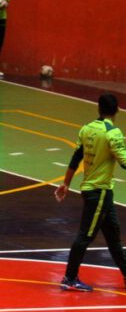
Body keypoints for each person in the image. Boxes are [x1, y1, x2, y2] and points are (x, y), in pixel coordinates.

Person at [54, 93, 126, 292]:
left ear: (98, 109)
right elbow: (125, 162)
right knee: (85, 235)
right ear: (117, 110)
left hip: (94, 191)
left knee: (113, 237)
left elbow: (76, 157)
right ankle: (69, 278)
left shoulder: (87, 129)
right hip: (99, 192)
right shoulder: (113, 133)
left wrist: (66, 183)